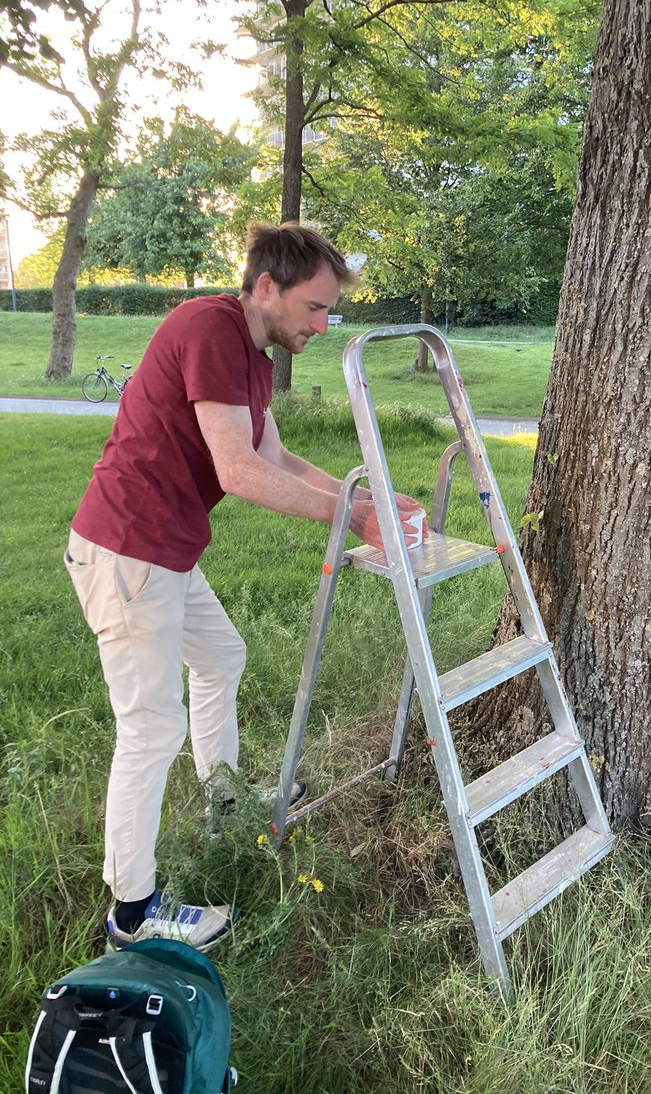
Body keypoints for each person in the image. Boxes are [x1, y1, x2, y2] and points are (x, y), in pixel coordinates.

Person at [65, 222, 424, 952]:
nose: (323, 326)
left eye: (329, 313)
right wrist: (353, 518)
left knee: (222, 657)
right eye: (316, 308)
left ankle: (223, 800)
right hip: (129, 552)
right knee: (149, 729)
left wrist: (372, 498)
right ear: (267, 286)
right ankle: (132, 914)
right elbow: (237, 471)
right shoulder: (207, 327)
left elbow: (273, 454)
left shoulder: (252, 355)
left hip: (163, 551)